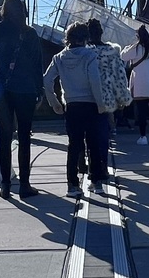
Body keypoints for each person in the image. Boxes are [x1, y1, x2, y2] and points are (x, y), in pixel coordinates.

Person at [0, 0, 45, 200]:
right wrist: (40, 91)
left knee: (4, 137)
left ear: (4, 11)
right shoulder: (30, 34)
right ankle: (25, 185)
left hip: (3, 91)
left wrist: (0, 10)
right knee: (25, 137)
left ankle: (5, 186)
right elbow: (38, 65)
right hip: (26, 89)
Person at [43, 21, 108, 197]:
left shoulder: (59, 58)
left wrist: (54, 102)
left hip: (71, 106)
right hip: (91, 104)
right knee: (93, 144)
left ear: (68, 38)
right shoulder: (90, 55)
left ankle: (72, 185)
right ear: (86, 38)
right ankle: (97, 183)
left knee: (74, 146)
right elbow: (95, 81)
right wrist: (101, 104)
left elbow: (47, 80)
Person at [120, 26, 149, 145]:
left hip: (140, 85)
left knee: (142, 113)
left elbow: (123, 56)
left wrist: (127, 47)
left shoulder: (136, 48)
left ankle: (143, 137)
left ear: (137, 36)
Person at [87, 18, 132, 134]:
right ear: (101, 33)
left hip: (87, 97)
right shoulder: (112, 52)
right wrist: (123, 97)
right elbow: (120, 77)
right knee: (105, 128)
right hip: (107, 97)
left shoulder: (85, 53)